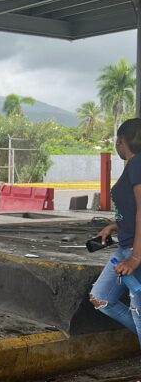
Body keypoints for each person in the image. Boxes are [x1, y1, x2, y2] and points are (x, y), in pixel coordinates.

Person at [89, 118, 141, 346]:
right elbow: (132, 209)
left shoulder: (137, 164)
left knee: (138, 311)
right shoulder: (133, 165)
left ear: (121, 141)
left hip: (134, 252)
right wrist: (115, 225)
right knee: (101, 297)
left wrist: (136, 257)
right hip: (125, 248)